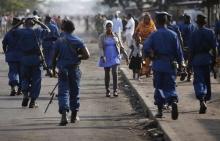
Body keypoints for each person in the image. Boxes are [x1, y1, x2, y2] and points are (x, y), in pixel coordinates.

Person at [143, 12, 185, 120]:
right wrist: (182, 65)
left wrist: (150, 55)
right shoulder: (173, 34)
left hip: (158, 64)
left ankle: (160, 111)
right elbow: (179, 52)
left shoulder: (154, 35)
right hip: (170, 65)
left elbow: (146, 48)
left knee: (159, 87)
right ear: (166, 21)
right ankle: (173, 101)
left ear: (156, 22)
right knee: (170, 86)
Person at [52, 19, 90, 126]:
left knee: (63, 92)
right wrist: (78, 56)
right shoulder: (78, 40)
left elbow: (54, 57)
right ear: (73, 29)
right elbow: (87, 55)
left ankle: (64, 115)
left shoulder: (59, 41)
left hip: (63, 70)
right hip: (74, 69)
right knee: (75, 92)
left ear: (63, 29)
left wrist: (53, 70)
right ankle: (74, 116)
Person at [13, 17, 50, 108]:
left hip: (24, 59)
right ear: (34, 24)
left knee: (24, 78)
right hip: (36, 59)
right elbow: (48, 30)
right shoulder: (37, 30)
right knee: (36, 80)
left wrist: (20, 22)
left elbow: (12, 30)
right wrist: (39, 22)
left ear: (25, 24)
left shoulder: (20, 31)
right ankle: (33, 101)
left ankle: (25, 95)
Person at [189, 14, 217, 114]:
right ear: (205, 23)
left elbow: (191, 51)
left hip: (197, 60)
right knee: (206, 81)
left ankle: (201, 100)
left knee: (198, 81)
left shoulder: (194, 33)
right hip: (207, 59)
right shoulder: (210, 32)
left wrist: (189, 63)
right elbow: (214, 48)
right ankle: (205, 100)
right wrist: (214, 61)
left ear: (197, 23)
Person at [98, 20, 129, 97]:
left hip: (115, 56)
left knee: (115, 73)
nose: (109, 28)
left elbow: (121, 46)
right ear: (105, 27)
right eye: (107, 26)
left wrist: (126, 56)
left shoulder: (115, 35)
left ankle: (115, 90)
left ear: (112, 27)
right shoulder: (102, 36)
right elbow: (101, 47)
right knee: (107, 73)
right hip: (106, 56)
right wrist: (103, 56)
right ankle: (107, 90)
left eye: (110, 26)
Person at [2, 17, 22, 96]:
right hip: (21, 56)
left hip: (11, 56)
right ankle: (20, 89)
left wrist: (5, 52)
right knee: (21, 73)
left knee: (12, 72)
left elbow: (4, 44)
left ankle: (13, 88)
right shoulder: (22, 32)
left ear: (13, 24)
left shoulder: (8, 33)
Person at [135, 12, 157, 77]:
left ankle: (147, 72)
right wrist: (137, 39)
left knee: (150, 59)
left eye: (148, 19)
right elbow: (135, 33)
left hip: (151, 44)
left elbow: (155, 33)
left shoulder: (152, 25)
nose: (147, 20)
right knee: (142, 59)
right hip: (142, 43)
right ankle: (142, 71)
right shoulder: (140, 24)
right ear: (144, 19)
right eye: (145, 19)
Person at [179, 14, 196, 81]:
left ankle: (188, 74)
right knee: (185, 61)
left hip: (188, 46)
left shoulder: (187, 26)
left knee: (187, 61)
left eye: (185, 18)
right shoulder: (192, 26)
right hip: (186, 46)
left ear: (188, 19)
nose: (184, 20)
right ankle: (186, 73)